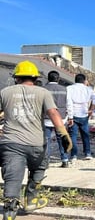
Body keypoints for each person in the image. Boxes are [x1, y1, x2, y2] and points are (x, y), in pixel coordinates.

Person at [0, 61, 72, 219]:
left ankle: (10, 210)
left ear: (16, 77)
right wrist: (63, 134)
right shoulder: (43, 92)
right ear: (35, 78)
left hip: (11, 143)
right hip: (36, 142)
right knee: (38, 169)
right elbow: (53, 113)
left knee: (13, 175)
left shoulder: (5, 92)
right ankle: (31, 201)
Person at [66, 73, 95, 161]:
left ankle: (74, 155)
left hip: (73, 114)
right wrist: (91, 110)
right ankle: (87, 153)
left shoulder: (69, 88)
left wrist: (70, 116)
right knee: (85, 134)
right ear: (84, 80)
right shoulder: (88, 89)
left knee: (73, 135)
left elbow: (69, 102)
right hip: (84, 114)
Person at [44, 70, 70, 168]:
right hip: (61, 118)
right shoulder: (64, 89)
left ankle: (46, 161)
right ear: (58, 79)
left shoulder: (43, 89)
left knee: (46, 140)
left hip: (46, 118)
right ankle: (65, 160)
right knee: (61, 139)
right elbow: (69, 103)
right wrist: (70, 116)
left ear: (48, 78)